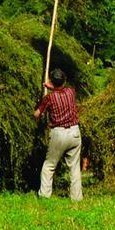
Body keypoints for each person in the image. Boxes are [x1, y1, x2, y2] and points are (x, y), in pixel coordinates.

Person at [33, 67, 82, 201]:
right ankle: (76, 199)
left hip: (59, 134)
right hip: (75, 133)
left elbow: (37, 114)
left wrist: (41, 101)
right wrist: (53, 87)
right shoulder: (71, 92)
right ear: (64, 80)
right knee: (74, 167)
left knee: (49, 166)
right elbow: (61, 90)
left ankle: (44, 196)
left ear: (52, 82)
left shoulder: (49, 98)